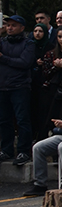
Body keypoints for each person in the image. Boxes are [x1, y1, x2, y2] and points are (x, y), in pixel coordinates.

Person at [0, 15, 36, 165]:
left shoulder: (28, 43)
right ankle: (6, 150)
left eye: (13, 25)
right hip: (3, 87)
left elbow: (25, 62)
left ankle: (23, 151)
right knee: (4, 120)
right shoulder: (2, 42)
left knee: (22, 120)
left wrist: (3, 58)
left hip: (19, 86)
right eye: (8, 25)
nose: (10, 28)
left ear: (22, 28)